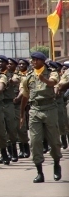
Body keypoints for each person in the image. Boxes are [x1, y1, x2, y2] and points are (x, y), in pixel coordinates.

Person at [21, 52, 62, 183]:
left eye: (36, 60)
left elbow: (52, 83)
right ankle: (39, 172)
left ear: (42, 61)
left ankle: (56, 163)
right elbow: (25, 96)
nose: (33, 62)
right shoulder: (28, 76)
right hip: (34, 110)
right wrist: (22, 114)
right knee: (35, 141)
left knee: (54, 141)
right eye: (32, 60)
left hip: (49, 108)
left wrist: (44, 79)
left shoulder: (51, 72)